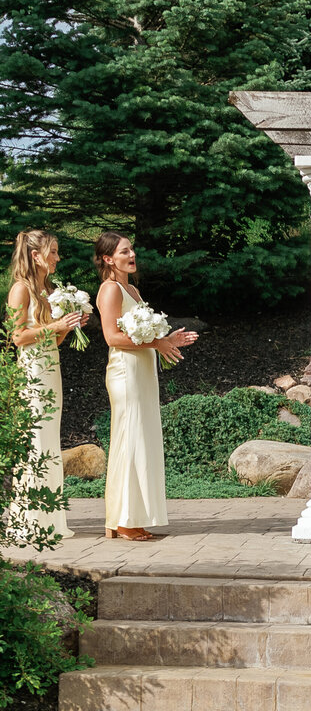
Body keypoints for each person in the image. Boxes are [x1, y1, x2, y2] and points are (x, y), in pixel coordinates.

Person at [94, 231, 197, 542]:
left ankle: (132, 516)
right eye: (125, 251)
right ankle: (121, 519)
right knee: (128, 441)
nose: (132, 254)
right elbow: (112, 338)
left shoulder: (133, 290)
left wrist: (168, 341)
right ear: (109, 259)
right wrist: (156, 342)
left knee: (141, 441)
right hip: (125, 373)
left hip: (143, 372)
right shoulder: (110, 290)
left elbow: (143, 335)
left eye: (132, 249)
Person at [6, 230, 88, 540]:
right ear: (35, 256)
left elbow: (54, 337)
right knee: (36, 441)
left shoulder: (49, 290)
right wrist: (55, 324)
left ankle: (49, 516)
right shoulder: (20, 290)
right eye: (52, 252)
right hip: (32, 371)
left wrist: (69, 326)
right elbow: (18, 338)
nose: (57, 257)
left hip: (51, 368)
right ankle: (28, 519)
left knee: (49, 440)